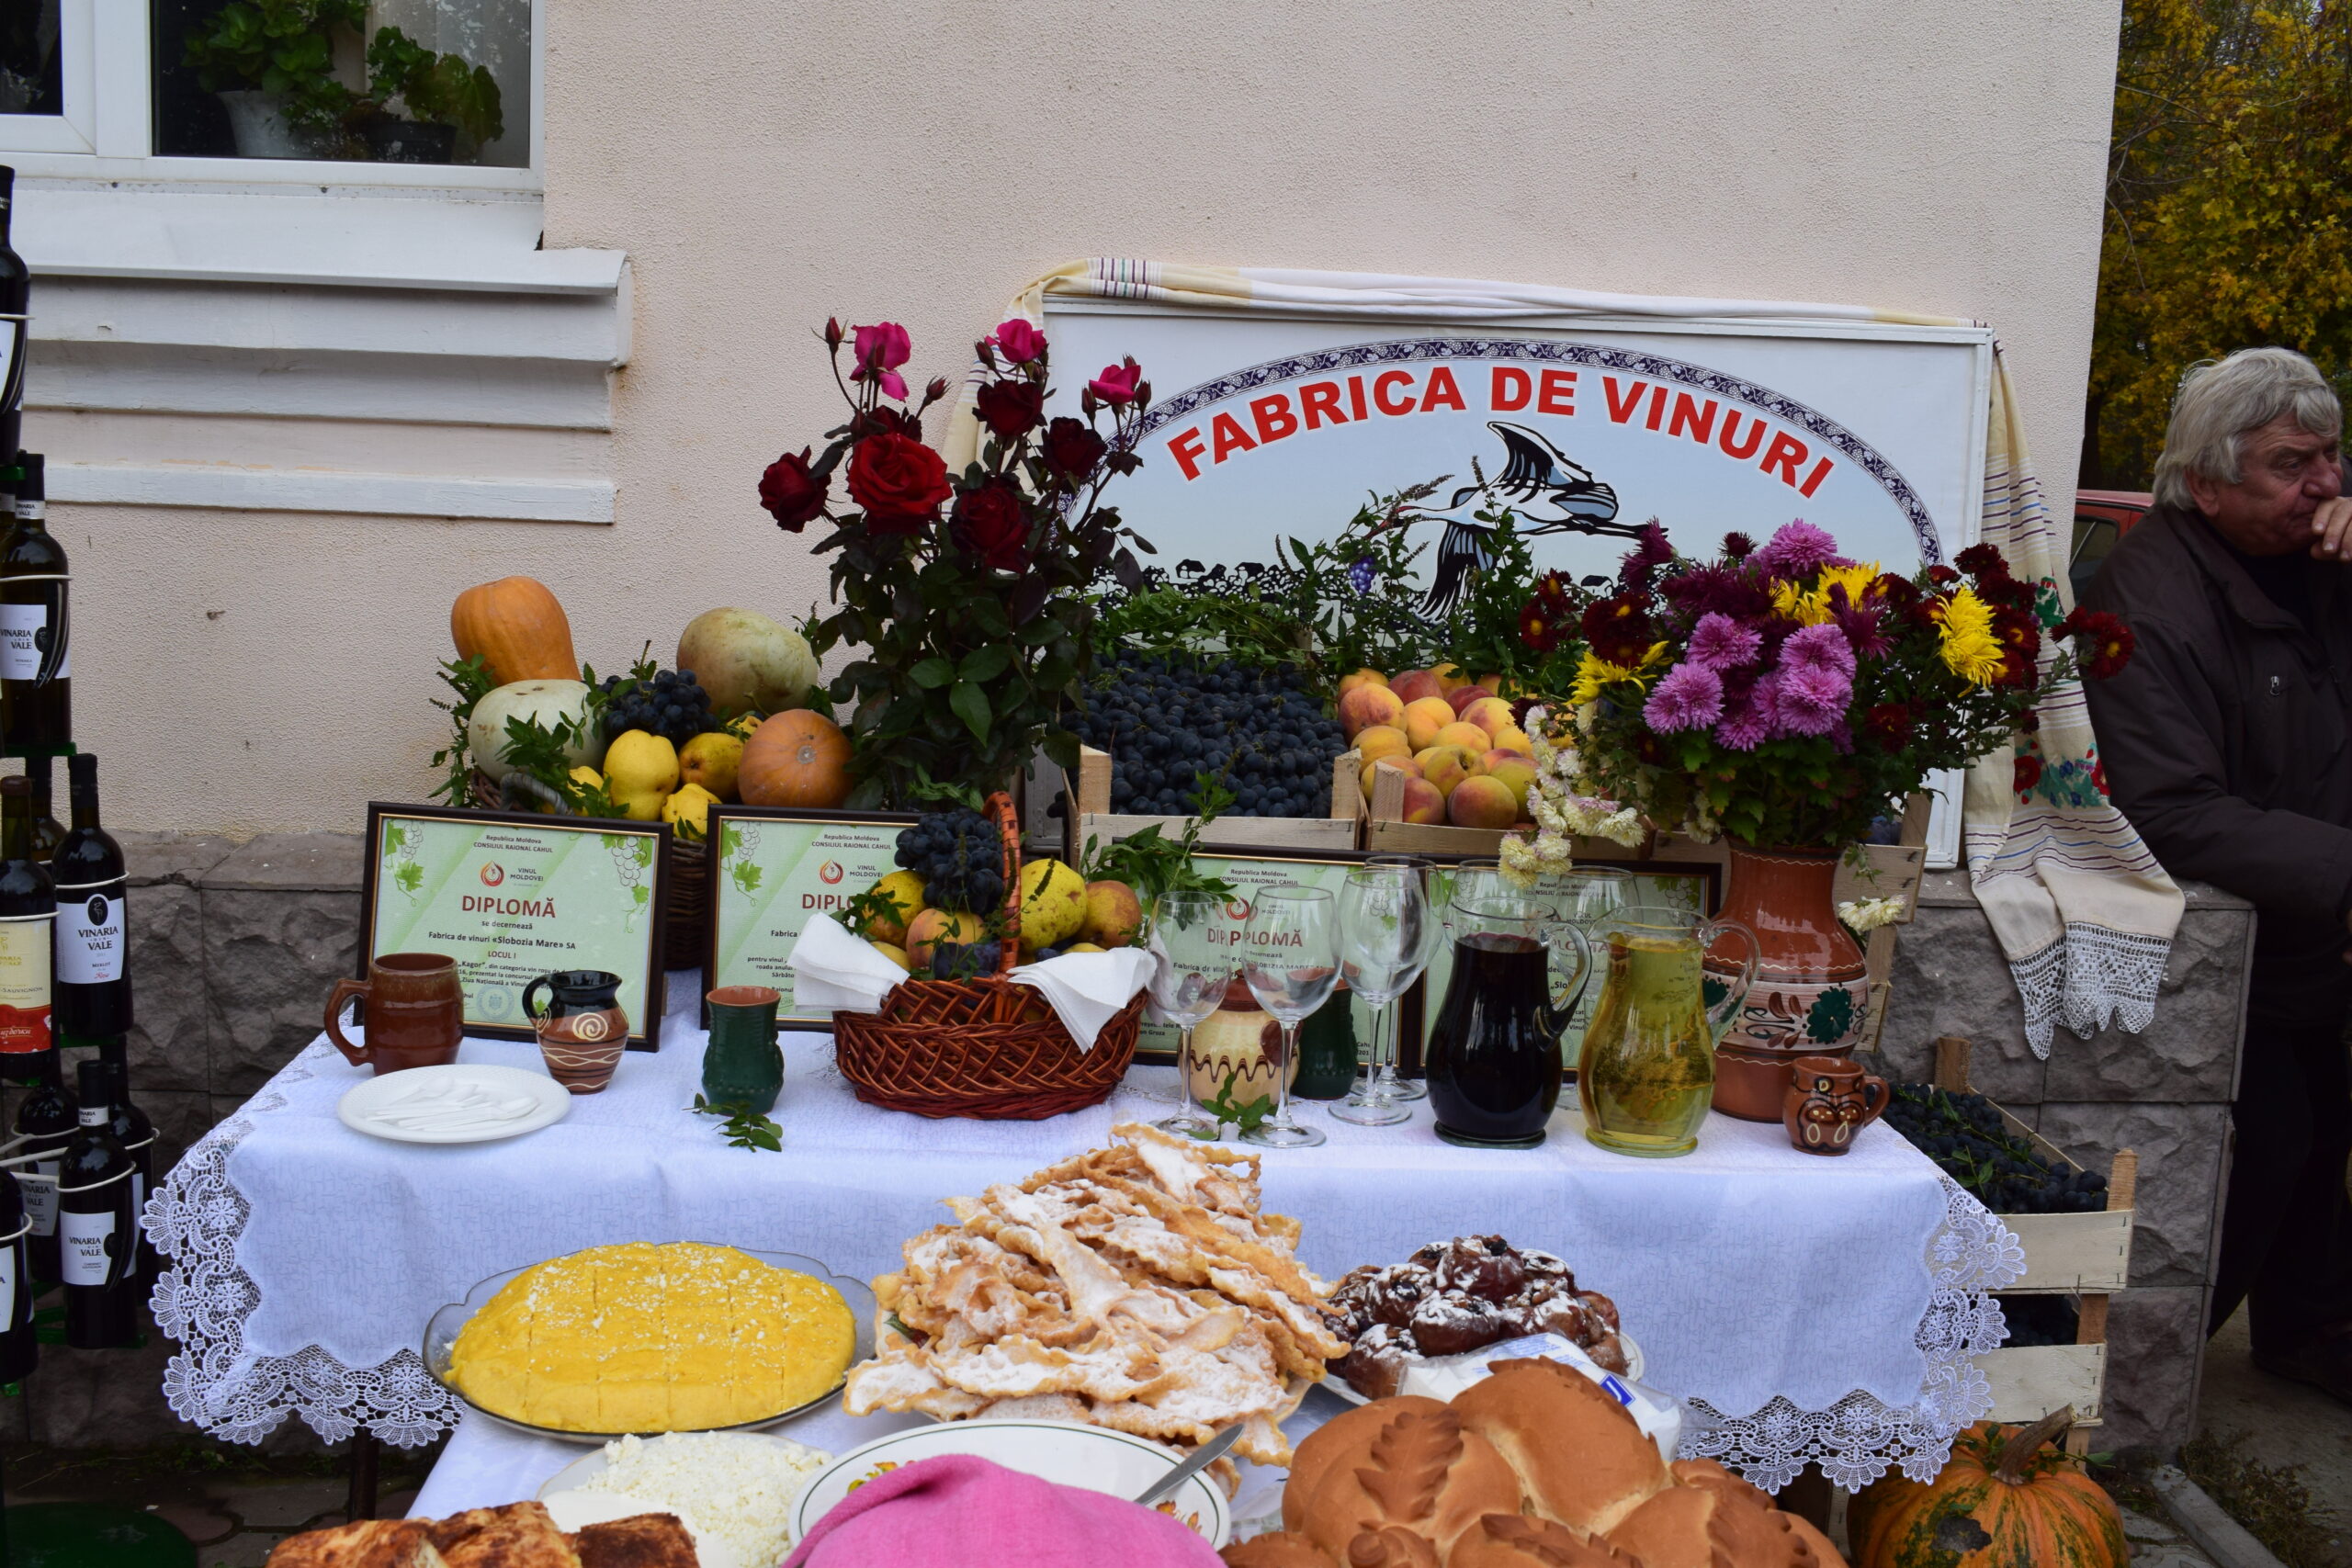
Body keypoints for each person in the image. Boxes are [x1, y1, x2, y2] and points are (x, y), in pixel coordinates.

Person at [2083, 345, 2352, 1400]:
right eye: (2291, 465)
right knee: (2271, 1145)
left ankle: (2308, 1329)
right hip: (2227, 944)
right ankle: (2140, 1396)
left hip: (2306, 929)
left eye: (2330, 456)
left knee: (2322, 1128)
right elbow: (2169, 809)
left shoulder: (2323, 557)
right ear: (2205, 483)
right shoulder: (2151, 600)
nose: (2324, 483)